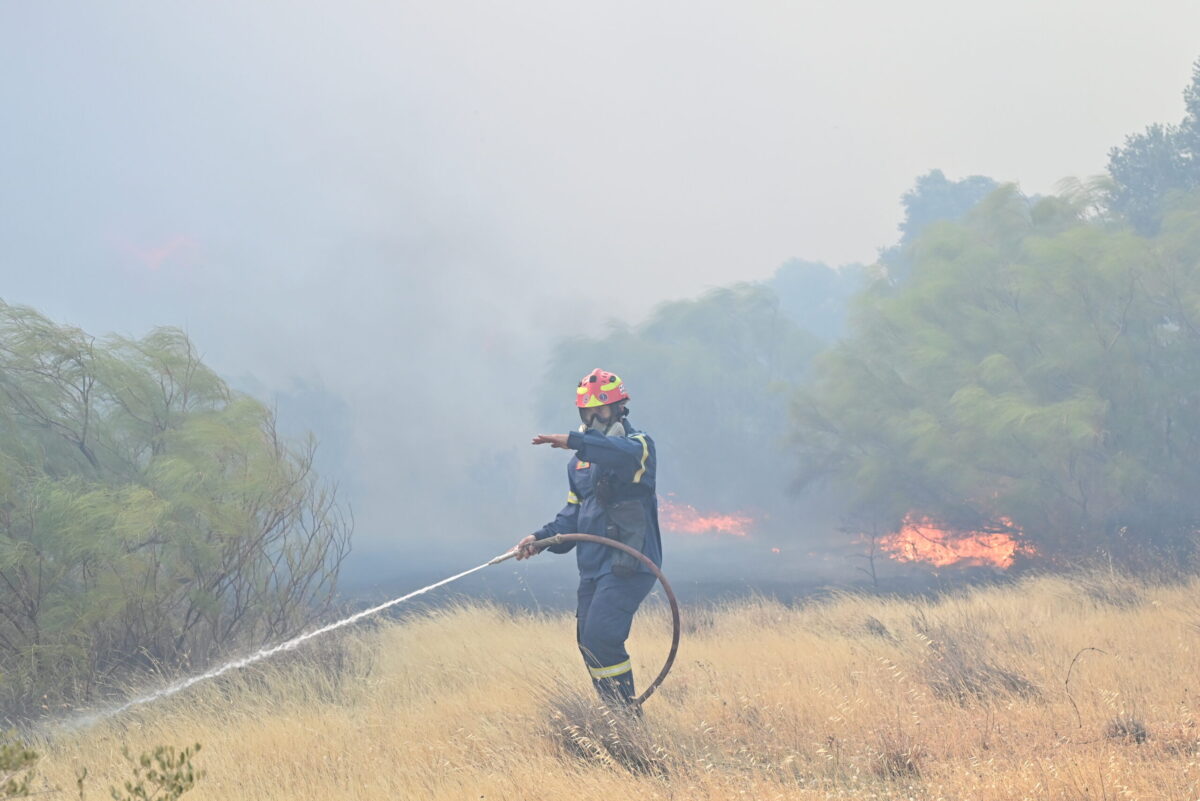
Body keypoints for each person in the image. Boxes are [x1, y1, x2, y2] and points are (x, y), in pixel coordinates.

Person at [515, 368, 662, 709]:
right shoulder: (577, 466)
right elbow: (572, 517)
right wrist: (539, 538)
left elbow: (616, 452)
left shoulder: (638, 448)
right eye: (587, 412)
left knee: (602, 636)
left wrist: (577, 441)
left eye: (602, 411)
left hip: (629, 562)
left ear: (620, 409)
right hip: (593, 568)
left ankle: (626, 718)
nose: (594, 418)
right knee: (589, 642)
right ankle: (615, 714)